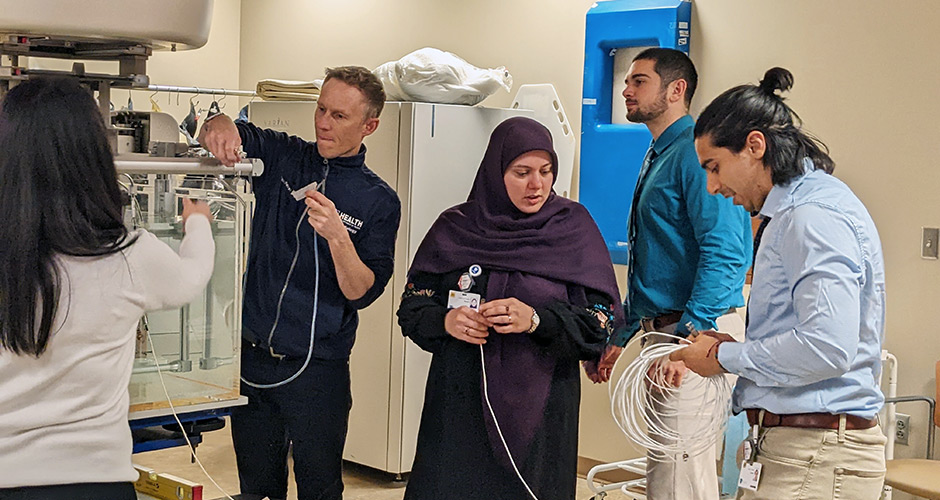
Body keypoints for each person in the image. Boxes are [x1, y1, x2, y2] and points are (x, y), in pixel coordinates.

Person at [672, 67, 887, 500]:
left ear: (755, 145)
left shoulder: (811, 217)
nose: (712, 186)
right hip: (804, 449)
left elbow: (828, 346)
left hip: (816, 454)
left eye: (715, 167)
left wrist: (724, 356)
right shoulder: (798, 210)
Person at [0, 78, 215, 500]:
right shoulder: (130, 255)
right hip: (95, 481)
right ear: (94, 156)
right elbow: (192, 277)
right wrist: (198, 222)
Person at [198, 66, 401, 500]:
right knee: (256, 487)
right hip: (254, 360)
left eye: (340, 116)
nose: (324, 123)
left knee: (319, 488)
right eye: (321, 109)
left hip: (317, 369)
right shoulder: (286, 157)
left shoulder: (378, 200)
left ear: (370, 126)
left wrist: (338, 238)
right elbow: (229, 128)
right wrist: (218, 126)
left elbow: (362, 292)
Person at [397, 117, 624, 500]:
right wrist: (446, 320)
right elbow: (413, 306)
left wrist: (536, 320)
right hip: (460, 400)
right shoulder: (455, 228)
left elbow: (599, 324)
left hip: (543, 406)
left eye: (545, 171)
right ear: (495, 171)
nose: (536, 185)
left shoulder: (572, 228)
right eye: (521, 172)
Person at [595, 48, 752, 500]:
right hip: (665, 326)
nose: (626, 89)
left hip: (695, 327)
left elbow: (724, 253)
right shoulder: (659, 153)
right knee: (668, 469)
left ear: (676, 90)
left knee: (680, 474)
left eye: (639, 81)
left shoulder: (693, 154)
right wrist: (623, 333)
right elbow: (657, 260)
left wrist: (689, 339)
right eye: (628, 80)